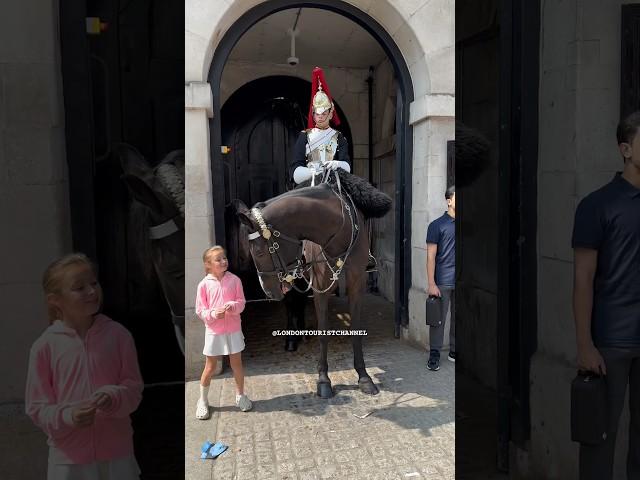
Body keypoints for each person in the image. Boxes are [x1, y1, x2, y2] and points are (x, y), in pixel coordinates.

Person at [25, 253, 143, 480]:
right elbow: (37, 407)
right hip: (68, 462)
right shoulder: (44, 347)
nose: (91, 291)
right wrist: (68, 416)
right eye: (79, 287)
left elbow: (134, 388)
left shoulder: (119, 335)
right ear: (55, 300)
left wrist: (114, 396)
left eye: (93, 283)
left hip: (117, 456)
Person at [572, 110, 640, 480]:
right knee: (599, 444)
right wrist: (585, 345)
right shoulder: (597, 206)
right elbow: (582, 279)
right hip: (611, 342)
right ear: (625, 149)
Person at [195, 246, 252, 419]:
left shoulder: (235, 280)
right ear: (208, 264)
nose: (223, 261)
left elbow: (242, 302)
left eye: (224, 258)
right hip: (214, 332)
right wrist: (213, 314)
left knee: (237, 364)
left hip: (234, 329)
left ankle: (240, 395)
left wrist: (234, 306)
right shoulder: (203, 285)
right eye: (218, 259)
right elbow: (200, 310)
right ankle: (202, 401)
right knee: (210, 366)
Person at [290, 66, 351, 186]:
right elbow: (295, 170)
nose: (320, 117)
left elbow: (347, 167)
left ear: (330, 114)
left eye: (324, 113)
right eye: (317, 114)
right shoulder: (304, 136)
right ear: (313, 114)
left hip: (332, 183)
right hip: (309, 183)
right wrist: (312, 172)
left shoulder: (339, 137)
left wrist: (337, 164)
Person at [425, 185, 456, 371]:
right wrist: (431, 283)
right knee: (438, 320)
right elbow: (430, 257)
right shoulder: (436, 225)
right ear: (449, 200)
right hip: (442, 281)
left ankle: (454, 351)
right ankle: (434, 354)